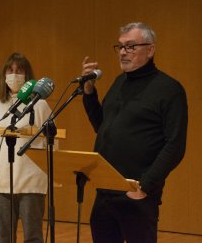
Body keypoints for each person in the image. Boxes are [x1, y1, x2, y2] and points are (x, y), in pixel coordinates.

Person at [81, 22, 188, 243]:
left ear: (150, 50)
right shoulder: (119, 83)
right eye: (120, 47)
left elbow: (175, 144)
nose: (122, 52)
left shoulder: (169, 89)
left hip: (137, 193)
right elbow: (102, 127)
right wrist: (89, 93)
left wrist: (145, 187)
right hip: (105, 192)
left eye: (130, 46)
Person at [0, 52, 53, 243]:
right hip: (2, 179)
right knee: (4, 237)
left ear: (28, 76)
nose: (14, 74)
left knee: (33, 236)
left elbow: (51, 142)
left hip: (31, 180)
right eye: (10, 70)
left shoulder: (41, 105)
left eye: (20, 70)